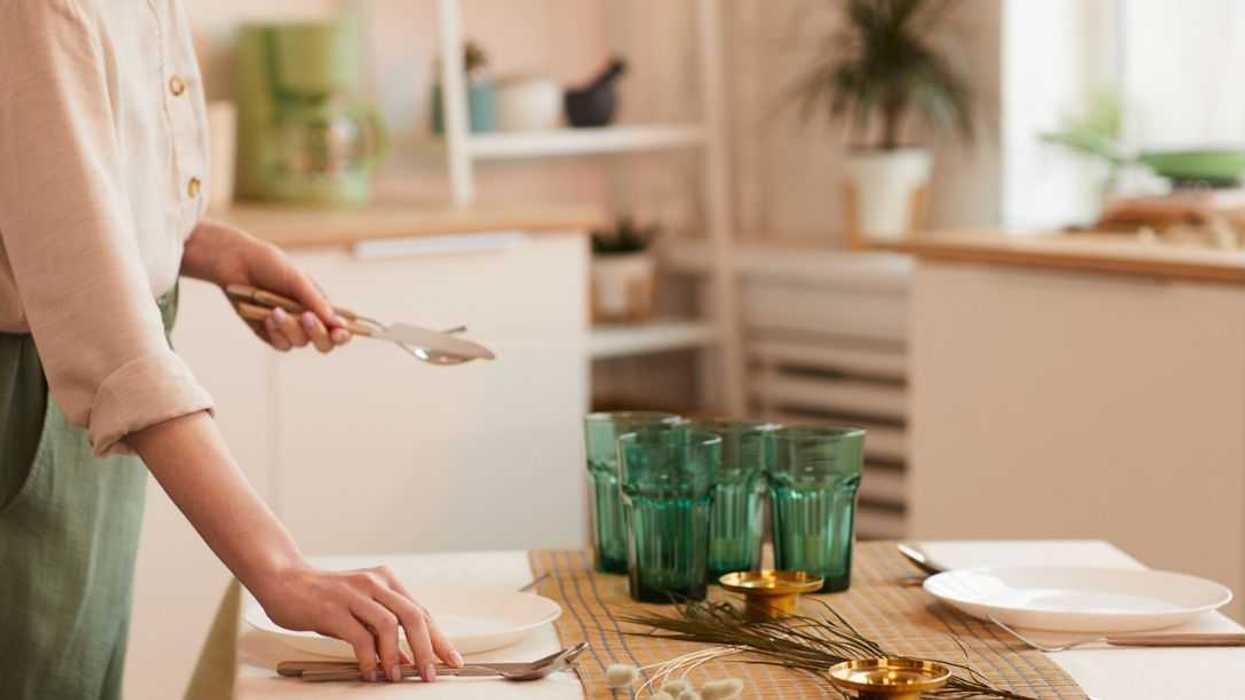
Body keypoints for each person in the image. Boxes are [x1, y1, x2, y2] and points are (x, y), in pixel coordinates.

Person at [0, 1, 461, 697]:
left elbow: (49, 184)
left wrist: (196, 243)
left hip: (86, 382)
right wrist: (279, 568)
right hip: (31, 393)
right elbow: (101, 322)